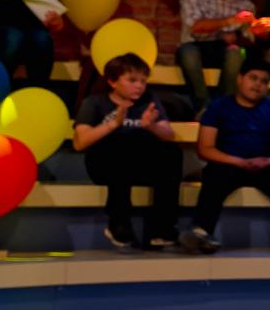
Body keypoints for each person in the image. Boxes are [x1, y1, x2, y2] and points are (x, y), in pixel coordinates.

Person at [180, 58, 270, 254]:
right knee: (214, 177)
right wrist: (238, 161)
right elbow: (205, 149)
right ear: (240, 79)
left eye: (264, 81)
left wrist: (268, 161)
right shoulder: (218, 107)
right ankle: (201, 232)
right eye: (253, 78)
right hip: (227, 164)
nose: (258, 84)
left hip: (264, 166)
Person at [73, 53, 186, 251]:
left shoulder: (149, 101)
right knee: (120, 148)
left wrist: (151, 126)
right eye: (132, 80)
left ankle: (161, 229)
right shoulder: (94, 102)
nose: (139, 86)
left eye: (143, 81)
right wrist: (113, 124)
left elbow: (168, 135)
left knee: (171, 153)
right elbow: (80, 143)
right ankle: (119, 223)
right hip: (104, 164)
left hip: (138, 163)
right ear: (112, 81)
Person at [176, 0, 256, 110]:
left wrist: (238, 37)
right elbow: (195, 27)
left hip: (225, 51)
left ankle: (223, 107)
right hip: (195, 46)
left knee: (237, 54)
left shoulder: (245, 4)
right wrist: (228, 22)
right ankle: (203, 106)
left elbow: (249, 39)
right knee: (188, 54)